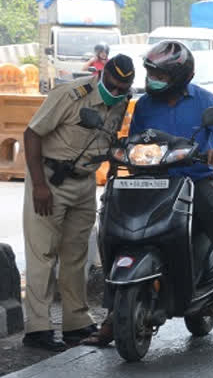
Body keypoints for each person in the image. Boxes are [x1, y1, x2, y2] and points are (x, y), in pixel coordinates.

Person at [82, 40, 213, 349]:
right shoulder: (146, 105)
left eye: (158, 73)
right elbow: (136, 139)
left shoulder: (204, 101)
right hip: (150, 182)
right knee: (110, 230)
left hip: (194, 181)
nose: (151, 78)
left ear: (179, 76)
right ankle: (111, 314)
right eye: (150, 72)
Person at [22, 55, 134, 351]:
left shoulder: (122, 101)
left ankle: (76, 322)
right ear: (102, 75)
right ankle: (38, 328)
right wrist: (39, 186)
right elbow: (32, 134)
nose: (117, 90)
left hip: (84, 182)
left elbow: (108, 140)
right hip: (49, 180)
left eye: (123, 86)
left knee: (76, 254)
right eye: (113, 84)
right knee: (43, 254)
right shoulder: (72, 95)